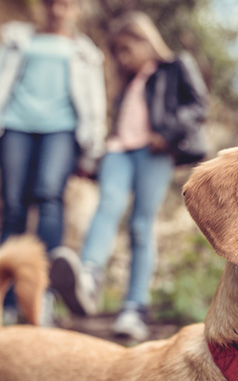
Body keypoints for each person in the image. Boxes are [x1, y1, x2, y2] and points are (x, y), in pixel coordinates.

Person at [50, 11, 208, 341]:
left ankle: (134, 308)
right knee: (107, 205)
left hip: (154, 152)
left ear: (145, 40)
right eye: (117, 53)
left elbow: (197, 105)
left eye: (126, 49)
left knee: (141, 225)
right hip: (119, 151)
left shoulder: (175, 66)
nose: (122, 59)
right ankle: (88, 278)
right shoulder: (128, 83)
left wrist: (168, 133)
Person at [0, 0, 106, 326]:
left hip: (62, 131)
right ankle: (5, 302)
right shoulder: (15, 40)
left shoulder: (85, 53)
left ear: (76, 10)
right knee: (13, 208)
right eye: (52, 4)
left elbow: (95, 104)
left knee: (49, 197)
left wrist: (93, 149)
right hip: (14, 126)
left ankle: (42, 296)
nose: (58, 11)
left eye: (66, 5)